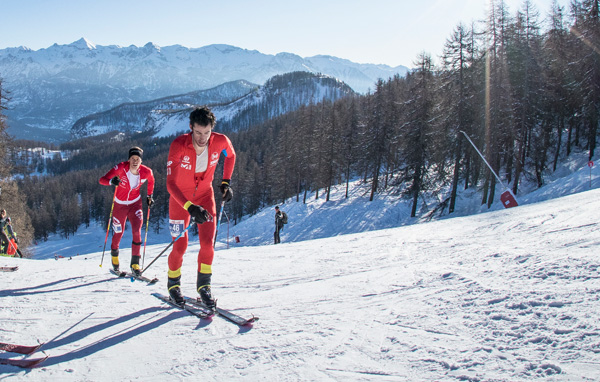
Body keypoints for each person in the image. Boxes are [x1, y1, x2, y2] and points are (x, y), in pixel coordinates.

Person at [165, 106, 235, 308]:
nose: (203, 137)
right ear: (190, 128)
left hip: (205, 196)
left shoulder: (220, 140)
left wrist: (225, 183)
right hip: (180, 201)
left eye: (207, 132)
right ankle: (173, 284)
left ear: (212, 129)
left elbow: (230, 156)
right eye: (198, 132)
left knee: (207, 244)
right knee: (180, 245)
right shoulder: (179, 145)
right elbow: (170, 184)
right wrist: (189, 207)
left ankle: (204, 286)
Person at [99, 147, 155, 276]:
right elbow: (102, 180)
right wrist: (111, 181)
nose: (135, 161)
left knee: (137, 230)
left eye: (138, 159)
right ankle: (115, 260)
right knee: (119, 232)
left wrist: (149, 196)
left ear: (141, 160)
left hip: (135, 203)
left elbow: (151, 181)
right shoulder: (120, 168)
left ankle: (135, 263)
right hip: (120, 205)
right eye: (132, 159)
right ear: (128, 159)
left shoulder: (146, 172)